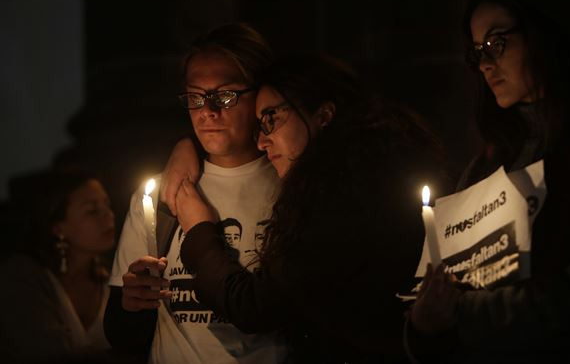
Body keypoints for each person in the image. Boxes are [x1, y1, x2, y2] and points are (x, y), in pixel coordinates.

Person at [406, 0, 570, 363]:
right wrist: (422, 324)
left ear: (546, 36)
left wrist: (457, 314)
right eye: (476, 51)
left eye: (496, 43)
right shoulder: (485, 167)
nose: (484, 64)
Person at [164, 53, 444, 363]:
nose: (261, 142)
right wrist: (187, 143)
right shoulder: (372, 171)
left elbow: (255, 307)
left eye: (271, 119)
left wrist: (199, 231)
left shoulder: (341, 200)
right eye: (259, 126)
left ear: (323, 115)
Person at [103, 23, 286, 364]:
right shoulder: (160, 195)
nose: (207, 112)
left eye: (225, 96)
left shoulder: (290, 188)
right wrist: (132, 302)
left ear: (260, 96)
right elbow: (121, 333)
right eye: (195, 97)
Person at [0, 169, 115, 362]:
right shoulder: (23, 277)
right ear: (58, 227)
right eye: (92, 211)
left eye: (107, 205)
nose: (109, 216)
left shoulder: (112, 278)